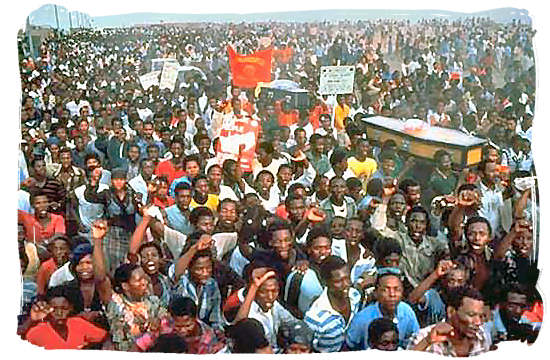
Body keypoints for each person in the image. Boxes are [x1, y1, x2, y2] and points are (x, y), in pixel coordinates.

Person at [91, 220, 170, 351]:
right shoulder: (115, 302)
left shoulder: (153, 301)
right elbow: (100, 278)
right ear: (125, 286)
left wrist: (159, 323)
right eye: (139, 280)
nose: (144, 283)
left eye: (145, 279)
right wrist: (98, 240)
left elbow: (167, 321)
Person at [409, 286, 491, 356]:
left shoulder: (482, 337)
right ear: (451, 311)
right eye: (471, 315)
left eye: (481, 316)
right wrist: (426, 342)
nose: (478, 322)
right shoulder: (423, 337)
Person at [20, 285, 108, 350]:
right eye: (54, 309)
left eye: (64, 308)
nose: (59, 313)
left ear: (71, 308)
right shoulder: (36, 333)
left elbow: (105, 337)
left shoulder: (78, 323)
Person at [346, 272, 419, 350]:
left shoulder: (407, 311)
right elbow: (349, 347)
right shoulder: (362, 319)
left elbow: (415, 339)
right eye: (385, 290)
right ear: (376, 293)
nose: (392, 294)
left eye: (397, 289)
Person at [233, 266, 299, 352]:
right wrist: (254, 286)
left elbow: (292, 322)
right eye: (264, 292)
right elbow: (240, 325)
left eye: (274, 291)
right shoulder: (250, 313)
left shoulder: (275, 305)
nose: (270, 297)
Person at [305, 256, 362, 352]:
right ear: (325, 282)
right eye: (338, 281)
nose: (346, 284)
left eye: (347, 278)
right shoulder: (315, 317)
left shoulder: (355, 296)